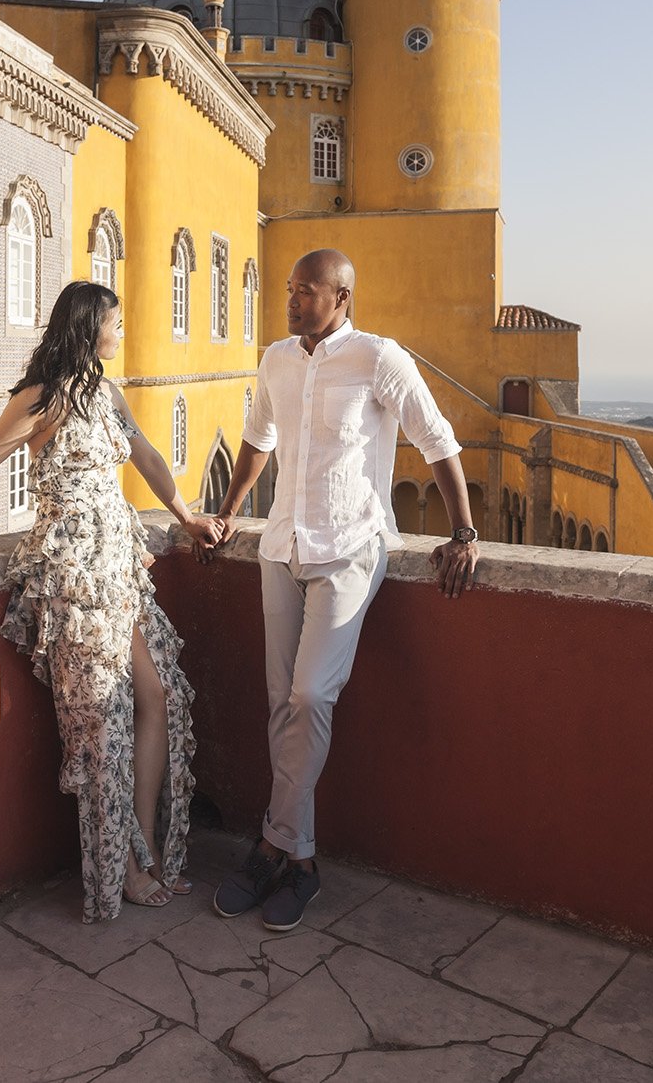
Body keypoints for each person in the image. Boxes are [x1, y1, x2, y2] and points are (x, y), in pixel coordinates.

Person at [0, 281, 223, 922]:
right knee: (101, 724)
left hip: (120, 565)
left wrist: (187, 516)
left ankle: (145, 845)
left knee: (158, 697)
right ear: (90, 327)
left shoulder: (107, 394)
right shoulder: (42, 398)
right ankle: (121, 868)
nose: (121, 334)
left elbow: (147, 457)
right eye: (115, 323)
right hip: (73, 573)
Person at [208, 249, 479, 931]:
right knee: (280, 702)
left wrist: (465, 531)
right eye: (291, 290)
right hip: (281, 547)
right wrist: (230, 509)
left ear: (343, 296)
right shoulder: (275, 359)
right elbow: (255, 440)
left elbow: (436, 440)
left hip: (351, 549)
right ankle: (298, 862)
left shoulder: (380, 359)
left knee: (309, 694)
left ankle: (274, 843)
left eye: (307, 291)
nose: (293, 300)